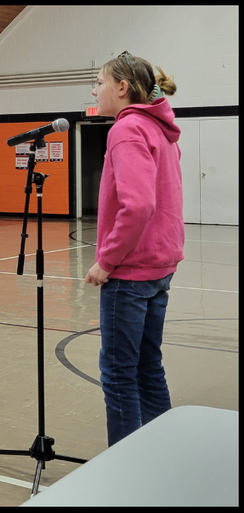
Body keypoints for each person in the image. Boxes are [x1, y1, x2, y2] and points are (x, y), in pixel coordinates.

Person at [85, 52, 183, 446]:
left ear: (122, 88)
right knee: (148, 367)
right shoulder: (160, 127)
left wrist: (106, 262)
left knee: (119, 373)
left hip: (130, 272)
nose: (94, 90)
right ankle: (162, 451)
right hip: (160, 266)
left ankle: (124, 466)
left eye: (99, 82)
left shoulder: (126, 130)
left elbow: (140, 204)